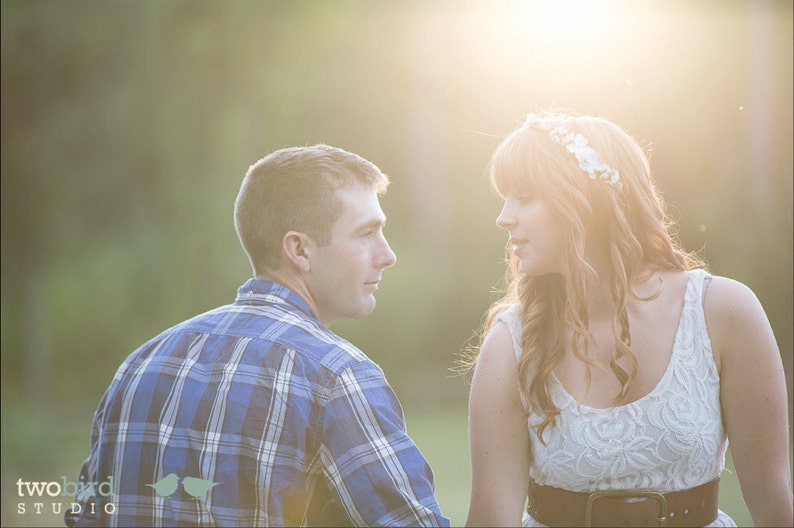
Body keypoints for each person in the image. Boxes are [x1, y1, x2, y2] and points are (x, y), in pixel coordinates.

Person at [66, 144, 450, 527]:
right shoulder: (336, 378)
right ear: (299, 249)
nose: (388, 254)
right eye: (367, 233)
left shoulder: (139, 365)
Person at [464, 112, 793, 527]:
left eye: (524, 197)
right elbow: (493, 519)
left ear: (584, 200)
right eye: (504, 198)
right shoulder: (510, 345)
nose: (504, 217)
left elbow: (773, 504)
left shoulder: (723, 312)